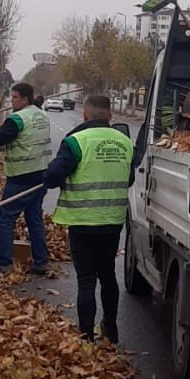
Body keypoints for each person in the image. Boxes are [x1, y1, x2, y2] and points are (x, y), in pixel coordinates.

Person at [43, 93, 133, 343]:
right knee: (107, 275)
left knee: (86, 280)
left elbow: (52, 177)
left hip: (83, 222)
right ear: (110, 115)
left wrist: (58, 176)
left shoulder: (75, 141)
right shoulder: (126, 142)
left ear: (85, 114)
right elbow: (130, 178)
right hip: (112, 222)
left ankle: (86, 338)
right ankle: (111, 329)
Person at [0, 82, 52, 276]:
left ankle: (5, 263)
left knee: (6, 217)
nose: (12, 101)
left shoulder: (17, 119)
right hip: (41, 175)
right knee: (34, 218)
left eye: (16, 97)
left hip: (21, 176)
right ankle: (41, 262)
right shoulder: (42, 114)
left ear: (26, 99)